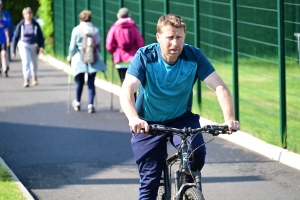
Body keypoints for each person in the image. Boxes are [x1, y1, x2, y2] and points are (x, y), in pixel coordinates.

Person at [119, 14, 240, 199]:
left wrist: (229, 118)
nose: (175, 43)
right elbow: (127, 89)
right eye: (170, 37)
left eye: (179, 37)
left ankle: (187, 187)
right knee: (150, 180)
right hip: (148, 122)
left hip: (181, 118)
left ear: (184, 36)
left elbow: (219, 86)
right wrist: (134, 118)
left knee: (196, 153)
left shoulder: (194, 56)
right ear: (158, 37)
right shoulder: (145, 56)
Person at [67, 10, 106, 114]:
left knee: (79, 81)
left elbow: (72, 46)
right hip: (93, 58)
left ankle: (78, 103)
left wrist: (70, 56)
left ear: (80, 19)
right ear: (91, 19)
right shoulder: (95, 30)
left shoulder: (76, 30)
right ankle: (90, 105)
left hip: (79, 58)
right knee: (91, 82)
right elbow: (99, 46)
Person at [106, 7, 144, 111]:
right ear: (129, 15)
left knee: (124, 83)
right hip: (132, 60)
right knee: (133, 84)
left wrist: (114, 51)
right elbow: (140, 42)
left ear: (118, 16)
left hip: (120, 59)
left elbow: (109, 45)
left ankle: (126, 106)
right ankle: (135, 105)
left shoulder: (115, 27)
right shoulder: (133, 27)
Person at [12, 7, 44, 87]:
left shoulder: (35, 24)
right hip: (24, 44)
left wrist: (41, 46)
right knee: (26, 62)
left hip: (34, 45)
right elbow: (15, 37)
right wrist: (13, 51)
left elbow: (40, 36)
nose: (28, 15)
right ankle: (26, 79)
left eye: (30, 13)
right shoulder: (21, 25)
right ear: (24, 15)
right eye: (27, 14)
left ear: (32, 14)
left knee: (34, 63)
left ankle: (34, 77)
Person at [0, 0, 13, 77]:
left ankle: (5, 69)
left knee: (4, 53)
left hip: (3, 39)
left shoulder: (4, 17)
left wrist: (8, 38)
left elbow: (6, 29)